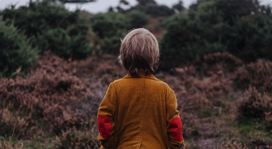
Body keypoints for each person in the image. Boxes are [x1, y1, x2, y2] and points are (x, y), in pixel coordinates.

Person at [97, 28, 185, 149]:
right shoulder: (165, 90)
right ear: (154, 56)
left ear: (123, 56)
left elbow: (104, 119)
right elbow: (174, 125)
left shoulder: (115, 88)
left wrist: (110, 145)